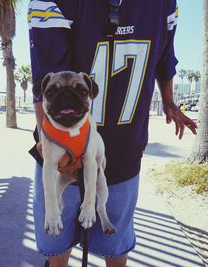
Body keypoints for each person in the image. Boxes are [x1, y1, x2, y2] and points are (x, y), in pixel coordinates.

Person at [28, 0, 198, 266]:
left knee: (116, 251)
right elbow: (46, 83)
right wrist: (48, 140)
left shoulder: (165, 3)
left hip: (122, 154)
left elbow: (164, 57)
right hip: (65, 154)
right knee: (57, 251)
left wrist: (169, 100)